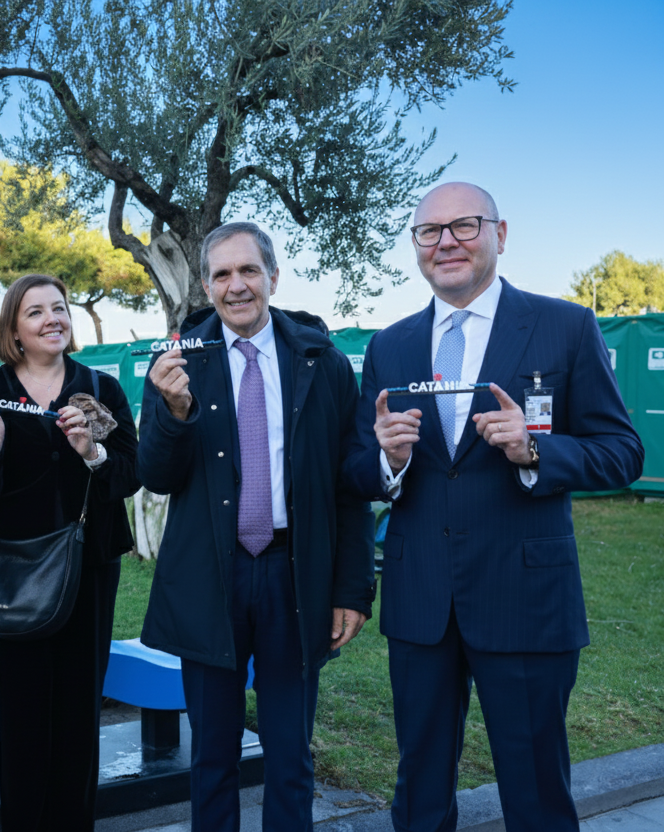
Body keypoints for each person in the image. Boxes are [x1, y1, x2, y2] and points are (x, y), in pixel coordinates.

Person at [347, 182, 644, 832]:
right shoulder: (388, 347)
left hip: (526, 602)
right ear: (417, 248)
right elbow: (356, 470)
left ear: (499, 235)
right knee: (419, 791)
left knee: (537, 794)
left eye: (464, 225)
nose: (446, 241)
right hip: (420, 602)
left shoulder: (564, 325)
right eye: (430, 231)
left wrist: (537, 450)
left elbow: (624, 452)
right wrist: (388, 463)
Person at [138, 222, 375, 832]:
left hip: (294, 577)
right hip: (209, 579)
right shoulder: (176, 366)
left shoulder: (321, 363)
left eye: (248, 271)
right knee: (212, 753)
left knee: (290, 752)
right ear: (205, 285)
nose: (236, 286)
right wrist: (174, 414)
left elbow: (346, 487)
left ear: (274, 276)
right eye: (221, 274)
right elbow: (158, 477)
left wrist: (351, 589)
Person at [0, 273, 140, 831]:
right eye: (35, 312)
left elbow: (133, 474)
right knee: (20, 715)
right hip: (15, 574)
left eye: (59, 308)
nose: (52, 319)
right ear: (14, 328)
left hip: (88, 568)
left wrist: (93, 452)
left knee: (77, 710)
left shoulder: (99, 387)